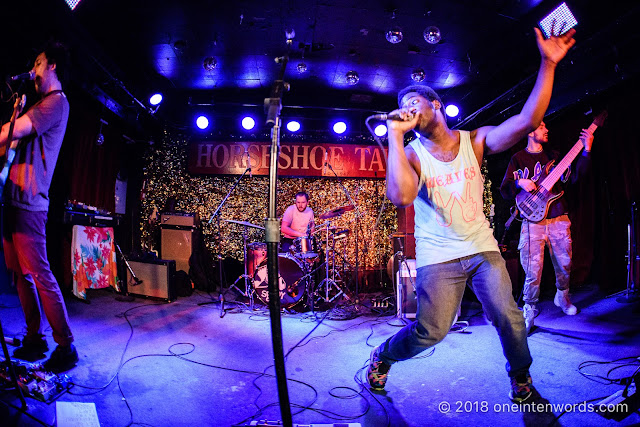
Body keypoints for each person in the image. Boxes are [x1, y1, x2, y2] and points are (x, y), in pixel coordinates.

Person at [367, 27, 576, 403]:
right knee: (430, 332)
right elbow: (400, 196)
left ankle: (521, 378)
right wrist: (395, 137)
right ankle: (383, 355)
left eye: (416, 102)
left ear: (437, 107)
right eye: (405, 107)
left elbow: (527, 121)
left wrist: (547, 63)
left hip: (481, 247)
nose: (410, 110)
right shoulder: (412, 154)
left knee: (508, 317)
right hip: (439, 256)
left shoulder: (474, 141)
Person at [0, 42, 78, 372]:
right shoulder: (36, 104)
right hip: (13, 201)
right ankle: (34, 337)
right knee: (20, 274)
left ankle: (66, 344)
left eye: (39, 62)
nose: (34, 69)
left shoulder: (56, 103)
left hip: (31, 205)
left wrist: (9, 126)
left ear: (54, 66)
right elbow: (12, 141)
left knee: (40, 274)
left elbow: (14, 131)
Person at [499, 120, 594, 332]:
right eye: (542, 126)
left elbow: (578, 178)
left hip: (558, 217)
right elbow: (504, 190)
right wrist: (518, 183)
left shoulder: (555, 157)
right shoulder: (518, 159)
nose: (547, 129)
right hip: (532, 221)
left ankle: (563, 296)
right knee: (532, 269)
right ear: (530, 131)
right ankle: (530, 308)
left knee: (565, 262)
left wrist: (586, 149)